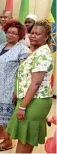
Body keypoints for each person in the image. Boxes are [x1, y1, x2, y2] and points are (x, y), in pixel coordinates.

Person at [7, 19, 53, 153]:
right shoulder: (35, 51)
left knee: (25, 139)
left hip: (35, 100)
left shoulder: (43, 54)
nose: (33, 36)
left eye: (37, 34)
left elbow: (35, 83)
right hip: (29, 99)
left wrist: (22, 106)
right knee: (24, 137)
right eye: (32, 33)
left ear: (46, 38)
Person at [0, 19, 30, 151]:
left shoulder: (23, 51)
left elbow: (25, 74)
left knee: (6, 116)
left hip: (8, 88)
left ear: (20, 35)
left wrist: (17, 91)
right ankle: (1, 132)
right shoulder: (2, 46)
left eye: (14, 33)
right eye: (8, 32)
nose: (10, 35)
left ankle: (8, 141)